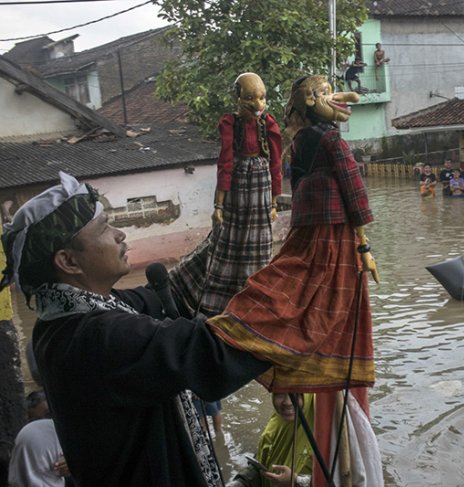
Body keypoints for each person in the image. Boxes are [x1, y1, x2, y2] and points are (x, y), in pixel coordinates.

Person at [0, 172, 271, 486]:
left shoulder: (73, 314)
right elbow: (212, 354)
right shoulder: (97, 337)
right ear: (69, 261)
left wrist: (239, 212)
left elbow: (174, 294)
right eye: (104, 228)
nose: (120, 234)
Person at [207, 75, 383, 487]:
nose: (330, 99)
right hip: (331, 231)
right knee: (323, 304)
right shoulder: (327, 141)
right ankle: (244, 329)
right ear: (307, 101)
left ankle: (239, 323)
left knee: (291, 285)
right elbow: (355, 192)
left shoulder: (301, 140)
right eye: (321, 94)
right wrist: (363, 245)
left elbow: (298, 182)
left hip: (308, 229)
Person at [169, 72, 282, 319]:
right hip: (238, 187)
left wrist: (274, 201)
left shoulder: (269, 124)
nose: (258, 104)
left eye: (262, 97)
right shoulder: (230, 123)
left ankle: (252, 304)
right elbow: (225, 164)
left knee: (260, 247)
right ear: (238, 96)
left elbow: (275, 164)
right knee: (225, 242)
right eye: (251, 97)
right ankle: (210, 301)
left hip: (261, 188)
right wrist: (218, 207)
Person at [228, 394, 314, 487]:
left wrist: (297, 480)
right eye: (280, 394)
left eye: (296, 394)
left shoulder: (323, 435)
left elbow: (327, 481)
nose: (288, 402)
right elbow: (261, 464)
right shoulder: (275, 424)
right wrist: (241, 482)